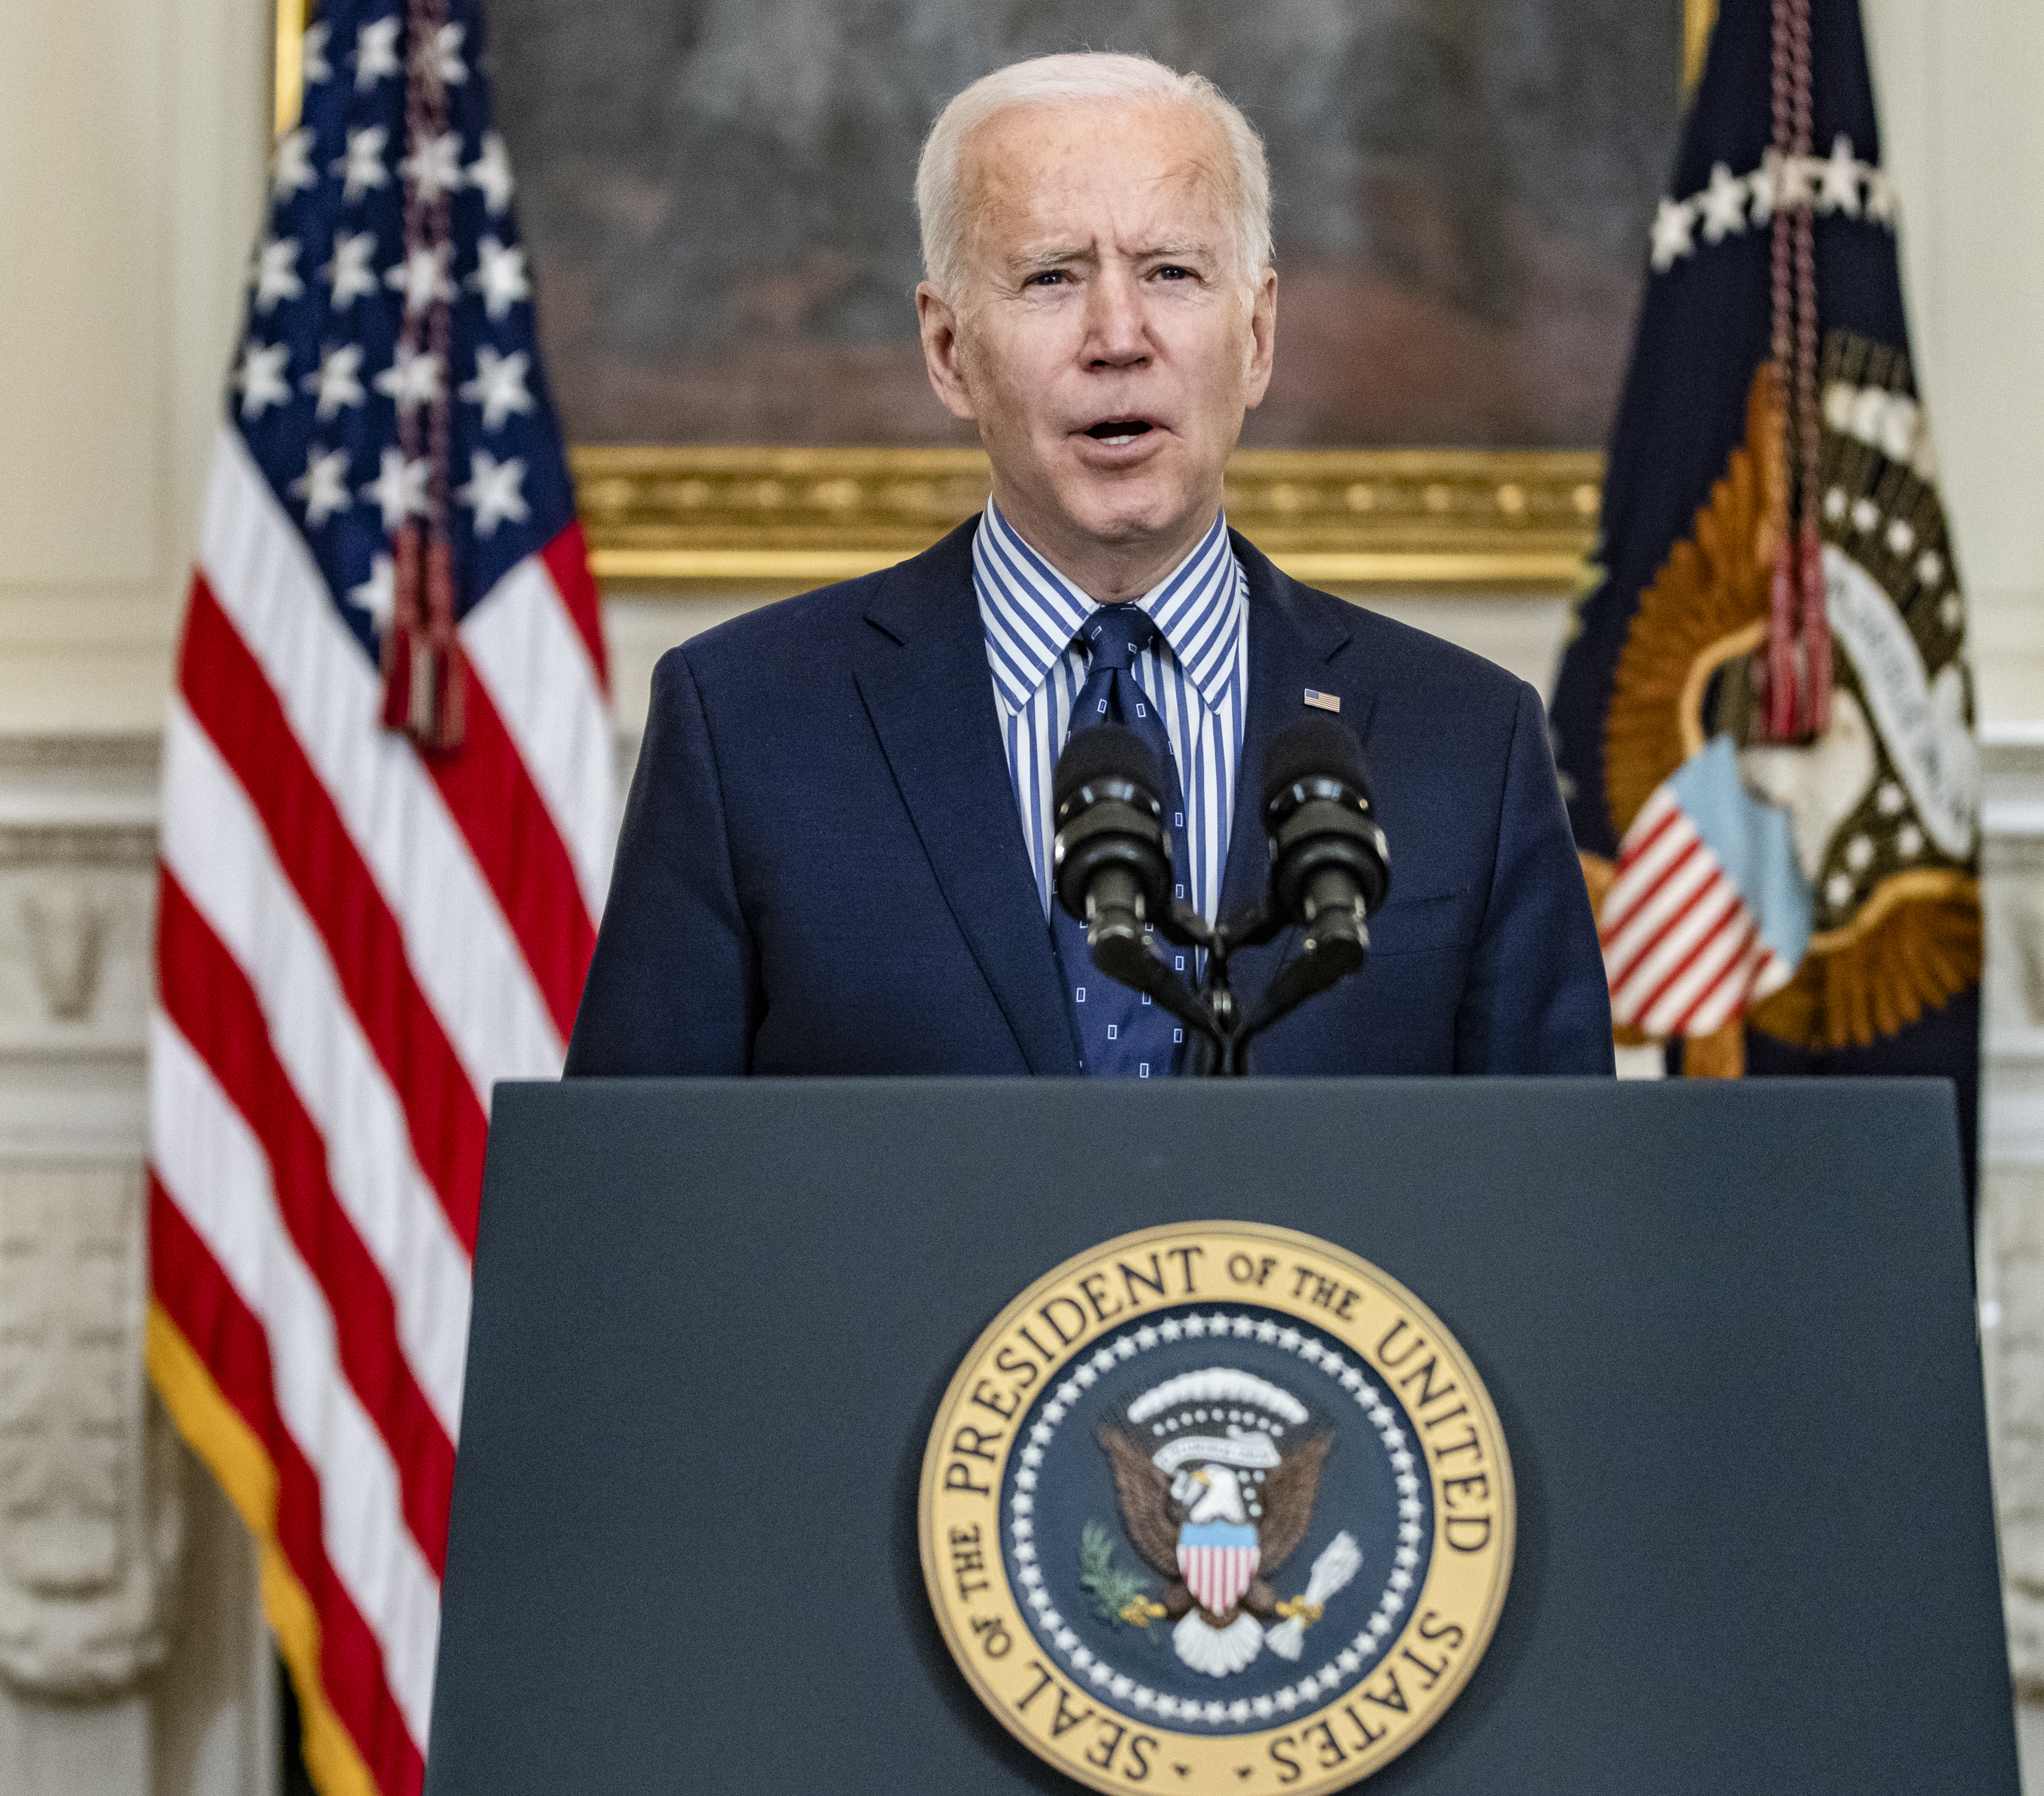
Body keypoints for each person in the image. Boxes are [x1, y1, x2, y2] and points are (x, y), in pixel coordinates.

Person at [565, 52, 1612, 1078]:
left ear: (1256, 335)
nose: (1119, 335)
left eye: (1172, 272)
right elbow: (636, 1212)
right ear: (947, 350)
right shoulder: (744, 728)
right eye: (1052, 277)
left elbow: (1556, 1216)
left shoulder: (1472, 744)